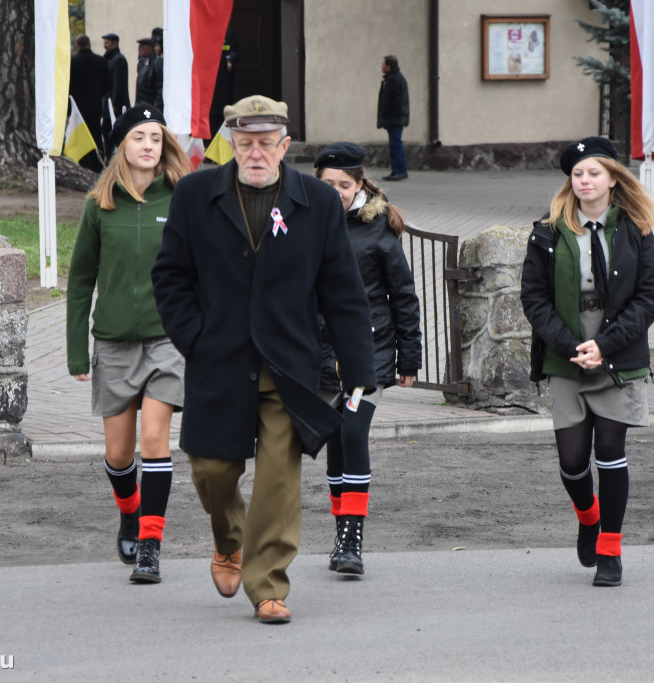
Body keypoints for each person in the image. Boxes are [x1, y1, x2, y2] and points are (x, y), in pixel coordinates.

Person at [151, 95, 376, 624]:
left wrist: (359, 371)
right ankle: (228, 537)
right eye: (246, 142)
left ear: (285, 145)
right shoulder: (194, 193)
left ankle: (268, 584)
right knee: (212, 470)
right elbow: (170, 277)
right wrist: (195, 338)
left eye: (266, 144)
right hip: (219, 358)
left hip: (289, 367)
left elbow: (342, 291)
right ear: (230, 142)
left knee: (278, 478)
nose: (256, 153)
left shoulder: (318, 201)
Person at [519, 136, 654, 587]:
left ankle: (611, 551)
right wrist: (569, 347)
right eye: (577, 174)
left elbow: (648, 297)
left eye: (593, 173)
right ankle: (588, 516)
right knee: (573, 462)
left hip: (617, 360)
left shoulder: (637, 228)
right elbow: (534, 299)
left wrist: (606, 345)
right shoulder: (548, 230)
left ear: (612, 179)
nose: (584, 181)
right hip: (567, 359)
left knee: (610, 453)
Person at [67, 104, 192, 584]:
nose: (148, 145)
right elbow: (80, 281)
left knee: (155, 442)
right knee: (120, 457)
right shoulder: (100, 205)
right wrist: (77, 350)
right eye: (138, 137)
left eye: (155, 138)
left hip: (167, 341)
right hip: (114, 344)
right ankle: (129, 511)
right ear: (122, 145)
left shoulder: (182, 199)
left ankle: (150, 546)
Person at [313, 142, 422, 575]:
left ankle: (352, 538)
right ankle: (342, 532)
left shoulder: (377, 229)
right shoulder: (307, 224)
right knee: (336, 440)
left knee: (354, 434)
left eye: (345, 184)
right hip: (319, 352)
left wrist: (408, 358)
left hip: (368, 351)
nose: (337, 191)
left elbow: (405, 296)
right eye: (328, 184)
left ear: (359, 184)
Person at [69, 35, 110, 172]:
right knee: (96, 134)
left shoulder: (72, 62)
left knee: (80, 136)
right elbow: (107, 85)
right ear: (89, 44)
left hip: (78, 107)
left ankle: (83, 164)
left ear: (77, 46)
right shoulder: (100, 61)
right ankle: (97, 164)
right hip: (95, 105)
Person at [377, 55, 410, 181]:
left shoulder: (395, 80)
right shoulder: (391, 79)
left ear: (389, 66)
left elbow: (392, 102)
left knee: (396, 144)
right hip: (393, 118)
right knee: (394, 144)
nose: (381, 67)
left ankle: (400, 170)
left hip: (395, 118)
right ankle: (396, 170)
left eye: (383, 64)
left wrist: (386, 116)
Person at [101, 33, 131, 161]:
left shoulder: (119, 60)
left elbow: (118, 83)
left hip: (115, 107)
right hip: (108, 105)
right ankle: (110, 159)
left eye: (107, 42)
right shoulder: (110, 59)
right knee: (106, 131)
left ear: (115, 44)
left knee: (113, 132)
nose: (104, 44)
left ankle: (114, 160)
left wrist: (114, 103)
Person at [135, 37, 164, 110]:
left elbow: (160, 85)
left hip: (151, 105)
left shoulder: (157, 62)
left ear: (150, 49)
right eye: (139, 47)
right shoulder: (142, 62)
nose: (140, 49)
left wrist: (158, 105)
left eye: (142, 47)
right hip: (140, 104)